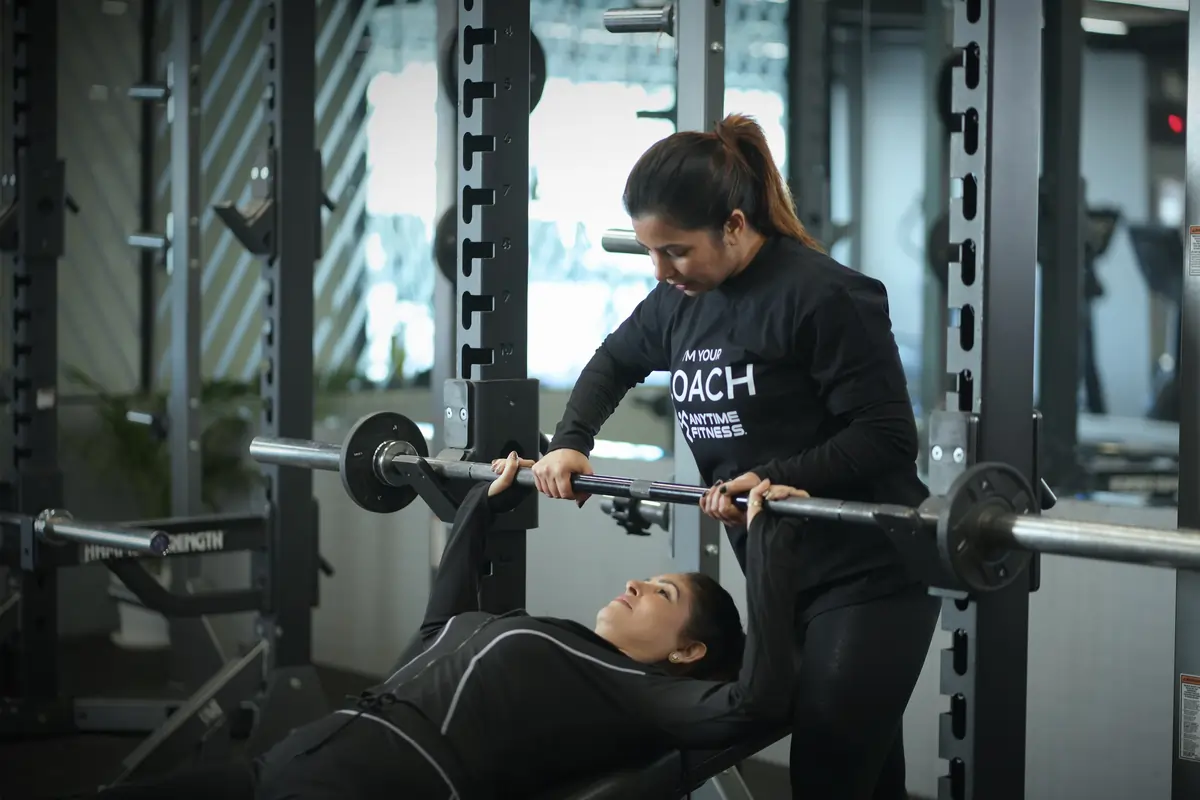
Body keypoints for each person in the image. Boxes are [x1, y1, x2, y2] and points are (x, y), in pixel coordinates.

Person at [532, 114, 942, 800]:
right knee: (868, 780)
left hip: (871, 573)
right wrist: (573, 440)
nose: (662, 271)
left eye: (676, 251)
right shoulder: (679, 303)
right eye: (651, 252)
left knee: (829, 774)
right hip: (782, 571)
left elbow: (888, 435)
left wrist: (779, 476)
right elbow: (615, 360)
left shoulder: (824, 294)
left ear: (733, 224)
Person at [83, 453, 806, 800]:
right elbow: (440, 626)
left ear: (688, 651)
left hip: (368, 788)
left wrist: (767, 544)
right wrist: (480, 508)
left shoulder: (636, 691)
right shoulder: (571, 647)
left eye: (661, 592)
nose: (635, 584)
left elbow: (757, 703)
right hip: (287, 763)